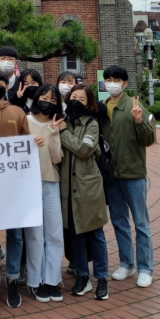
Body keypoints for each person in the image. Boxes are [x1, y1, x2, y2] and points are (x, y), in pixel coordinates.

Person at [0, 70, 43, 309]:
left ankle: (13, 279)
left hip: (15, 186)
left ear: (7, 86)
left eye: (0, 83)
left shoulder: (18, 112)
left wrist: (36, 143)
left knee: (15, 234)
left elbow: (26, 145)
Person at [102, 65, 155, 288]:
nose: (112, 83)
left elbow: (149, 139)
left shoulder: (133, 105)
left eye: (116, 80)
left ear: (124, 84)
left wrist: (139, 120)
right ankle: (127, 263)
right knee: (119, 221)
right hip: (112, 174)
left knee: (141, 223)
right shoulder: (103, 108)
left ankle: (145, 268)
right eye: (109, 79)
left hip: (133, 172)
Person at [60, 83, 110, 300]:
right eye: (73, 97)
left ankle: (102, 278)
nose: (76, 102)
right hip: (66, 188)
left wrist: (62, 134)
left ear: (89, 103)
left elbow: (84, 149)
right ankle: (82, 276)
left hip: (88, 187)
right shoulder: (62, 122)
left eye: (81, 99)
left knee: (95, 233)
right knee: (75, 235)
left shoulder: (91, 123)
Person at [24, 85, 64, 302]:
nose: (48, 101)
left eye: (53, 98)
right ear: (37, 98)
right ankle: (36, 280)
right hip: (29, 184)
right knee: (35, 235)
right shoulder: (25, 121)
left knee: (54, 233)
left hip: (50, 181)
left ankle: (52, 279)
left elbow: (57, 158)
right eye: (44, 97)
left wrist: (53, 133)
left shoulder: (54, 124)